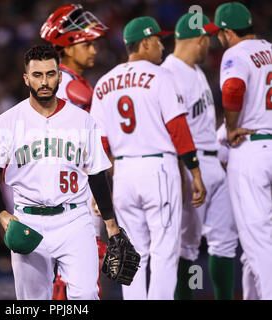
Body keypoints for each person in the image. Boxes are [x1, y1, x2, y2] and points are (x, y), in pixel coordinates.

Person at [0, 44, 123, 300]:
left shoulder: (83, 121)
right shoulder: (7, 123)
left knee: (87, 294)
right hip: (28, 222)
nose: (44, 81)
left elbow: (98, 175)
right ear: (26, 78)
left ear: (59, 76)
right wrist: (1, 214)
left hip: (75, 220)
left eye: (50, 74)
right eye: (37, 75)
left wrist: (111, 224)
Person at [90, 16, 206, 300]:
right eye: (157, 40)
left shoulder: (104, 83)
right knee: (165, 250)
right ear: (143, 43)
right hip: (158, 168)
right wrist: (196, 172)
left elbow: (99, 145)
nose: (162, 46)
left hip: (123, 173)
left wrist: (98, 189)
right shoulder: (161, 76)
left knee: (132, 252)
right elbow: (178, 129)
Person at [161, 12, 238, 300]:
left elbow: (202, 125)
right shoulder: (168, 73)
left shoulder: (196, 71)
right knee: (187, 246)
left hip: (213, 162)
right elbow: (171, 130)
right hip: (189, 167)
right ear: (200, 39)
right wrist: (185, 171)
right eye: (208, 39)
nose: (211, 45)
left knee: (225, 241)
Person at [40, 3, 109, 299]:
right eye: (87, 44)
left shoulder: (66, 81)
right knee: (82, 272)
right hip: (75, 190)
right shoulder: (67, 85)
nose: (93, 50)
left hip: (69, 187)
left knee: (76, 272)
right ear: (67, 47)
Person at [210, 1, 272, 299]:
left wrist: (231, 127)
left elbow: (233, 89)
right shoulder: (271, 49)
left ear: (227, 32)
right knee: (255, 247)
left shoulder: (236, 52)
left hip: (253, 148)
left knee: (258, 240)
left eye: (219, 34)